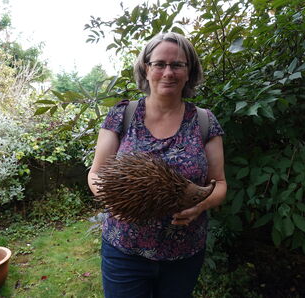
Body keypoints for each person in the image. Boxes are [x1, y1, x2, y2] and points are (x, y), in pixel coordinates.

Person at [87, 32, 227, 298]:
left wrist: (201, 206)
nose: (168, 72)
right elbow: (96, 174)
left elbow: (219, 183)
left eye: (177, 65)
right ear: (146, 68)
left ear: (189, 72)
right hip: (125, 251)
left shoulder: (204, 121)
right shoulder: (122, 115)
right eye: (159, 64)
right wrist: (115, 202)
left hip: (184, 253)